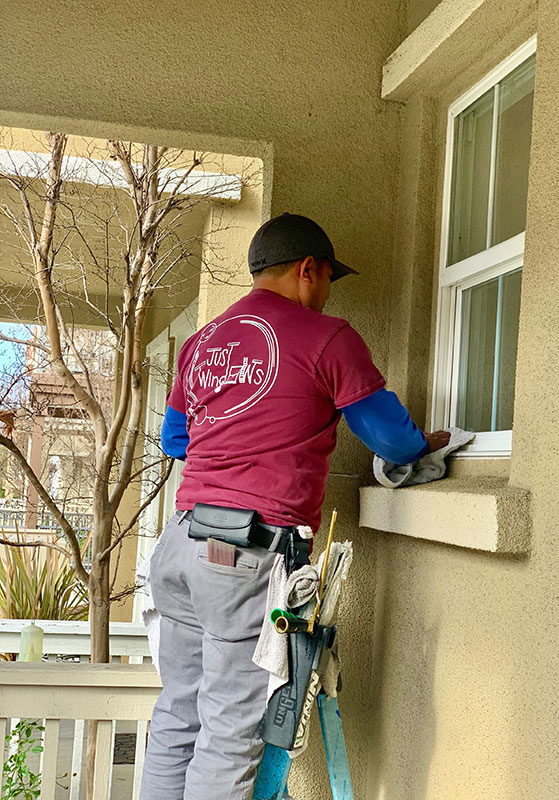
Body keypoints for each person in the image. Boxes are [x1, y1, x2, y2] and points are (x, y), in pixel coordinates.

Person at [140, 213, 450, 800]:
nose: (328, 293)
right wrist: (421, 445)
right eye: (329, 279)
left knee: (178, 718)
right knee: (230, 735)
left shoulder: (205, 340)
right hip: (241, 557)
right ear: (309, 270)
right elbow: (391, 439)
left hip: (179, 545)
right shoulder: (326, 337)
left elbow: (176, 441)